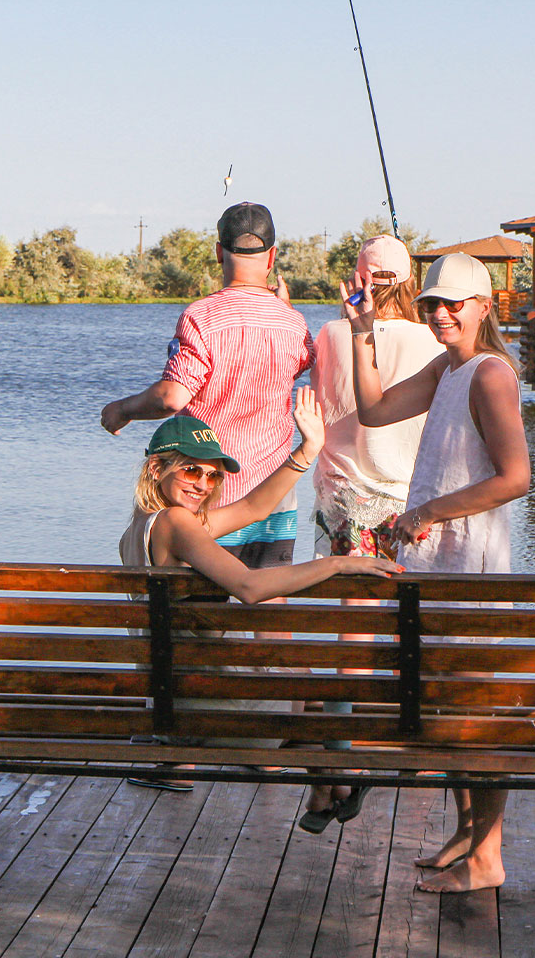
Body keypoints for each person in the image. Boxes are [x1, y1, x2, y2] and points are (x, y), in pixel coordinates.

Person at [346, 252, 530, 893]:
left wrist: (425, 509)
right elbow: (371, 411)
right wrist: (363, 329)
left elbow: (516, 478)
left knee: (475, 715)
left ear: (485, 307)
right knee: (448, 708)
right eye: (433, 304)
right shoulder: (449, 369)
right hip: (433, 564)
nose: (443, 313)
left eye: (456, 302)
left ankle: (488, 858)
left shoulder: (489, 375)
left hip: (471, 571)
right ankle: (464, 835)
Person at [119, 390, 402, 790]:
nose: (204, 484)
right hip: (208, 708)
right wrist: (338, 562)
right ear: (156, 468)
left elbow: (253, 508)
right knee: (320, 689)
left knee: (298, 679)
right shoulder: (177, 525)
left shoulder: (144, 528)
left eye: (213, 475)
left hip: (169, 702)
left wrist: (307, 451)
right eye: (191, 471)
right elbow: (250, 586)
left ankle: (323, 781)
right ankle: (334, 779)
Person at [298, 235, 443, 834]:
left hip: (338, 511)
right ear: (409, 282)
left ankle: (337, 774)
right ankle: (341, 774)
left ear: (353, 280)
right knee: (373, 642)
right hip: (401, 512)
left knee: (342, 644)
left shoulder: (329, 336)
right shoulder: (432, 340)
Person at [103, 201, 314, 573]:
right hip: (275, 492)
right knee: (270, 613)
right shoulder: (293, 322)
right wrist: (284, 310)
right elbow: (303, 360)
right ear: (272, 256)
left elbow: (173, 397)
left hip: (208, 492)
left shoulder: (201, 316)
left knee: (203, 608)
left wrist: (123, 410)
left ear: (219, 252)